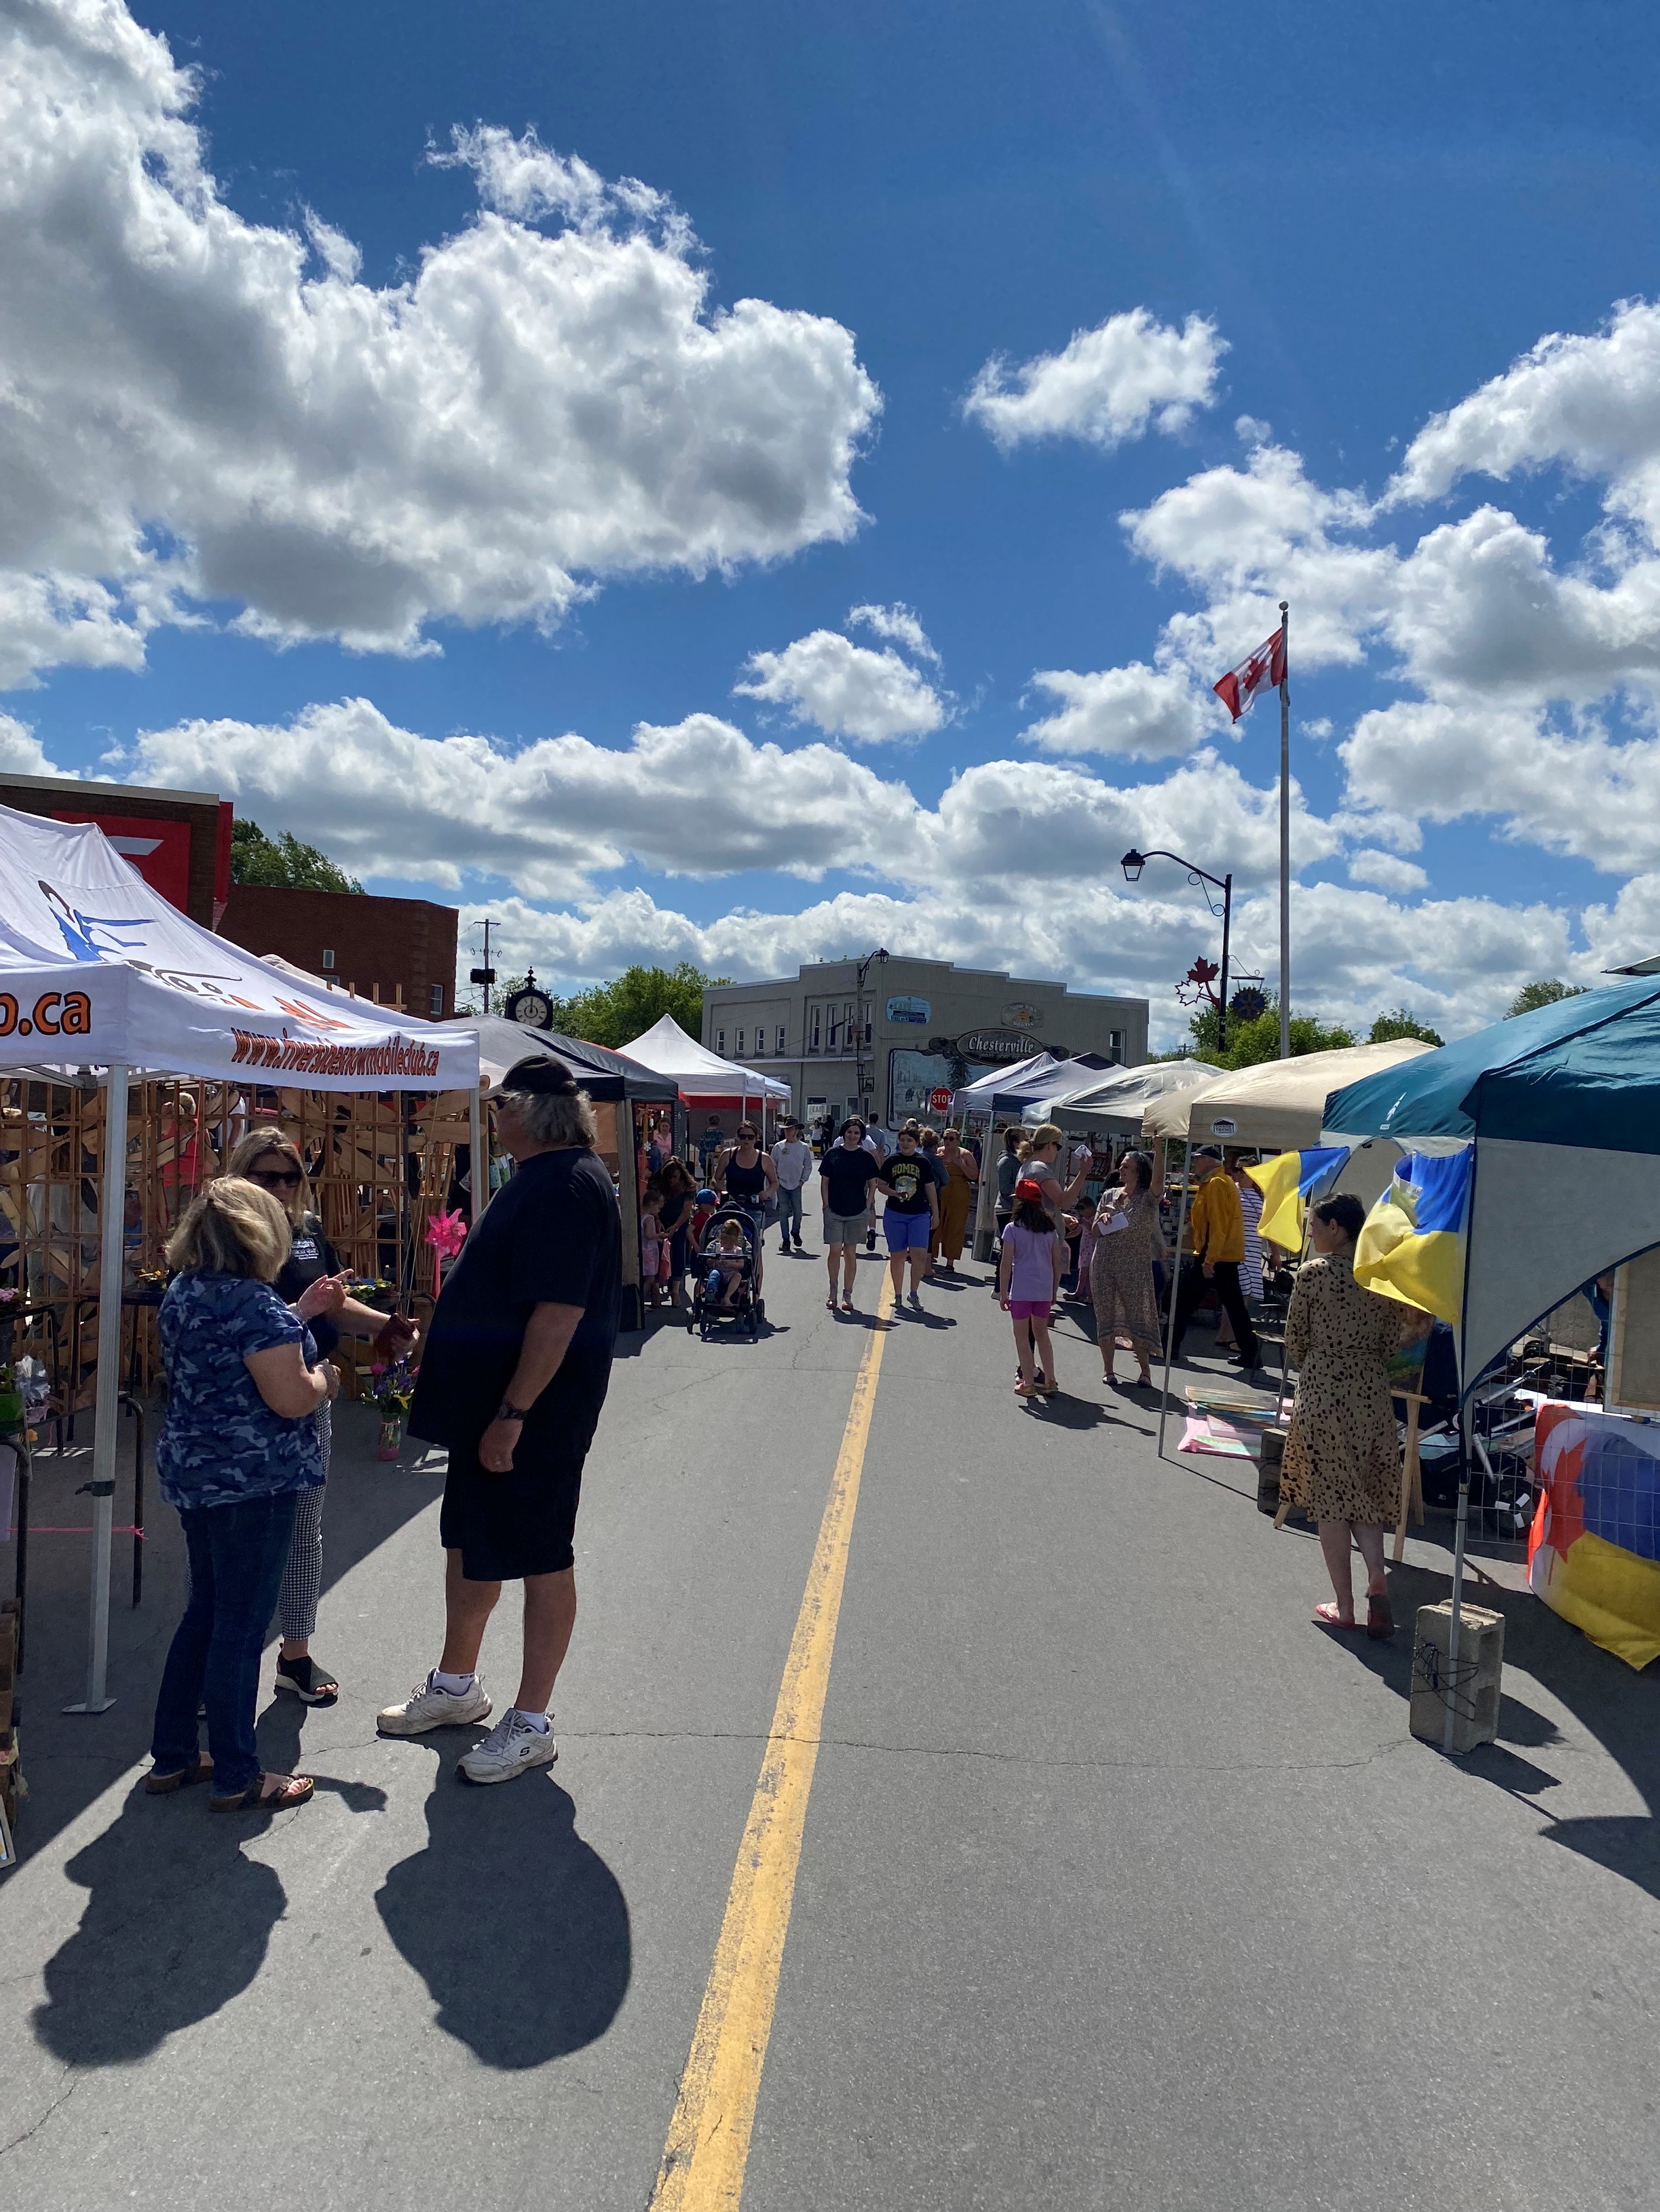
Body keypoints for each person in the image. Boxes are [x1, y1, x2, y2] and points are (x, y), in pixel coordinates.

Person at [379, 1058, 621, 1785]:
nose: (491, 1115)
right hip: (494, 1409)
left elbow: (558, 1314)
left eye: (498, 1103)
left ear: (533, 1109)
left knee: (543, 1551)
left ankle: (533, 1721)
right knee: (471, 1542)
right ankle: (458, 1685)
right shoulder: (541, 1177)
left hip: (534, 1415)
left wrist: (513, 1413)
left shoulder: (569, 1184)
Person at [147, 1178, 335, 1812]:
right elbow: (290, 1397)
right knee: (240, 1622)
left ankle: (174, 1754)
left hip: (197, 1473)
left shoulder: (183, 1293)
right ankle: (237, 1770)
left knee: (206, 1611)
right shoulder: (253, 1303)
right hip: (254, 1480)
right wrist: (325, 1379)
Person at [224, 1126, 419, 1707]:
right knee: (236, 1539)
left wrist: (381, 1325)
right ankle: (217, 1667)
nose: (282, 1187)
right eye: (267, 1176)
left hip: (311, 1396)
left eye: (291, 1176)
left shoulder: (307, 1230)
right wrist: (303, 1311)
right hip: (248, 1407)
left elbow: (332, 1302)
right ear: (239, 1177)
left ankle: (295, 1656)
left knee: (304, 1533)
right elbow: (233, 1324)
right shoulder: (226, 1238)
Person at [1279, 1194, 1403, 1638]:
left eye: (1314, 1225)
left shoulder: (1313, 1275)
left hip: (1324, 1388)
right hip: (1370, 1390)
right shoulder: (1378, 1276)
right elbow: (1392, 1341)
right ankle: (1376, 1573)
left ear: (1336, 1228)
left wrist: (1320, 1361)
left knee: (1330, 1498)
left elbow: (1295, 1337)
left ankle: (1346, 1606)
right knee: (1363, 1493)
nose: (1310, 1232)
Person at [1169, 1147, 1262, 1373]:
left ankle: (1169, 1346)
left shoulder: (1217, 1184)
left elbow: (1218, 1226)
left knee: (1184, 1302)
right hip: (1223, 1255)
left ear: (1209, 1161)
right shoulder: (1214, 1182)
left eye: (1197, 1159)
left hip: (1215, 1255)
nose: (1193, 1163)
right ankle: (1251, 1354)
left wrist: (1209, 1260)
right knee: (1234, 1306)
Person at [1089, 1150, 1165, 1389]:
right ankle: (1109, 1370)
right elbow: (1093, 1231)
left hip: (1135, 1267)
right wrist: (1101, 1222)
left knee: (1139, 1318)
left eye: (1127, 1167)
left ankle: (1145, 1373)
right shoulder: (1109, 1195)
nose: (1121, 1170)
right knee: (1106, 1316)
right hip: (1105, 1262)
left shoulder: (1148, 1198)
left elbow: (1159, 1181)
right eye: (1121, 1166)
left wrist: (1159, 1148)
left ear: (1140, 1172)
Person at [999, 1179, 1063, 1396]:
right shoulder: (1050, 1231)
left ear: (1020, 1203)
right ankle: (1050, 1381)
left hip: (1022, 1291)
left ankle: (1028, 1383)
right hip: (1044, 1289)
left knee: (1021, 1336)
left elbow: (1006, 1262)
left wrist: (1003, 1292)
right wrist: (1054, 1290)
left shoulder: (1012, 1229)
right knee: (1042, 1333)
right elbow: (1057, 1263)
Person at [818, 1118, 880, 1312]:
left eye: (857, 1133)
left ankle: (848, 1294)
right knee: (835, 1250)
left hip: (857, 1211)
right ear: (844, 1133)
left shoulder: (866, 1157)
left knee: (851, 1253)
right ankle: (832, 1291)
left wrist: (868, 1204)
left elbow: (873, 1183)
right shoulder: (833, 1154)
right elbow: (825, 1182)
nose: (852, 1136)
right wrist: (826, 1204)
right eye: (850, 1132)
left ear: (861, 1136)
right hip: (834, 1210)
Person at [877, 1125, 939, 1311]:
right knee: (898, 1255)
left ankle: (914, 1293)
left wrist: (936, 1212)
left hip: (919, 1214)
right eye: (902, 1140)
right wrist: (894, 1193)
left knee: (919, 1254)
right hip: (895, 1213)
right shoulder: (892, 1161)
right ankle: (897, 1295)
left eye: (909, 1140)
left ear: (916, 1143)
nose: (905, 1143)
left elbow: (930, 1188)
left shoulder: (923, 1162)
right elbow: (881, 1185)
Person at [1215, 1151, 1266, 1358]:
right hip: (1234, 1248)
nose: (1238, 1173)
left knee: (1241, 1294)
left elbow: (1268, 1227)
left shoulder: (1262, 1196)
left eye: (1243, 1170)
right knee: (1237, 1292)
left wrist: (1274, 1254)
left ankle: (1230, 1335)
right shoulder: (1231, 1191)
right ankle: (1230, 1335)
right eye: (1236, 1169)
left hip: (1253, 1248)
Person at [717, 1123, 777, 1290]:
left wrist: (766, 1193)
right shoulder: (728, 1155)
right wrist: (721, 1190)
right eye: (743, 1136)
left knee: (754, 1249)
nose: (746, 1140)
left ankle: (756, 1293)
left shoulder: (763, 1158)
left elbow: (774, 1183)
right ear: (738, 1137)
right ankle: (722, 1280)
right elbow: (717, 1179)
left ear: (756, 1139)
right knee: (725, 1241)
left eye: (750, 1137)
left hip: (754, 1209)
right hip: (731, 1206)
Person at [935, 1125, 979, 1272]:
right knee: (936, 1222)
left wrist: (961, 1164)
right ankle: (931, 1254)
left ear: (958, 1141)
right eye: (945, 1138)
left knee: (955, 1225)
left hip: (959, 1191)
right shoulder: (939, 1152)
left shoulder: (965, 1155)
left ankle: (950, 1261)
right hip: (941, 1190)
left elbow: (974, 1175)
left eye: (951, 1139)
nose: (947, 1141)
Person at [656, 1160, 696, 1310]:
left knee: (679, 1251)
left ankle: (675, 1290)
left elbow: (686, 1212)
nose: (672, 1181)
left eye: (675, 1177)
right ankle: (656, 1287)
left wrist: (675, 1227)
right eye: (670, 1177)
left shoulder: (688, 1186)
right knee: (657, 1252)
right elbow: (652, 1204)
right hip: (660, 1218)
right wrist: (658, 1220)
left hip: (679, 1220)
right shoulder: (658, 1184)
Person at [770, 1118, 813, 1255]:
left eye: (791, 1130)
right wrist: (775, 1180)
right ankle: (786, 1239)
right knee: (783, 1211)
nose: (788, 1132)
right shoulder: (779, 1147)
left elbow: (808, 1166)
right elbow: (772, 1165)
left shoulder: (803, 1147)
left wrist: (802, 1181)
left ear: (796, 1131)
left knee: (798, 1212)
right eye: (786, 1130)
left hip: (796, 1184)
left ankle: (795, 1231)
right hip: (782, 1183)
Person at [705, 1218, 751, 1309]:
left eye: (730, 1245)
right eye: (725, 1243)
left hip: (732, 1273)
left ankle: (727, 1297)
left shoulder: (737, 1250)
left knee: (738, 1276)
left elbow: (741, 1265)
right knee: (714, 1274)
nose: (727, 1246)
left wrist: (730, 1264)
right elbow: (708, 1262)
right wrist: (716, 1261)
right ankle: (711, 1291)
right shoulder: (717, 1248)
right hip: (719, 1271)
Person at [640, 1183, 666, 1309]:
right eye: (658, 1207)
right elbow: (649, 1235)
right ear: (652, 1204)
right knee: (650, 1279)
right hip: (649, 1251)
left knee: (645, 1278)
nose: (659, 1211)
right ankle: (640, 1302)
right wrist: (660, 1235)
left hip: (644, 1250)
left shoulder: (642, 1217)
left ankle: (640, 1302)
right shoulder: (649, 1218)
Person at [696, 1115, 724, 1180]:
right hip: (715, 1160)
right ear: (718, 1122)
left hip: (704, 1159)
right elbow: (721, 1145)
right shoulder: (719, 1133)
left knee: (707, 1178)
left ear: (708, 1122)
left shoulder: (704, 1133)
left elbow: (701, 1146)